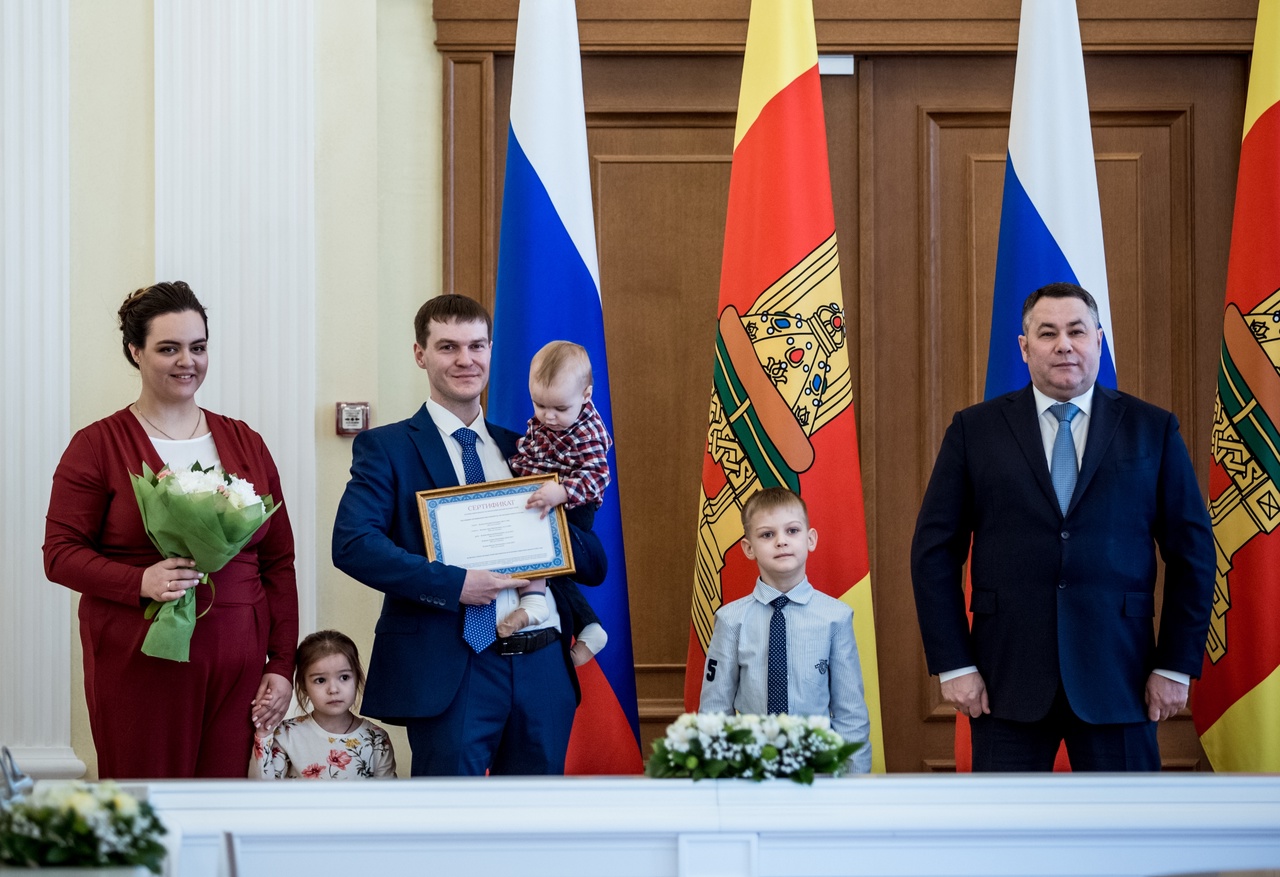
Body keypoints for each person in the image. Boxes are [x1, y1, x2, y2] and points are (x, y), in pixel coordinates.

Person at [910, 281, 1214, 771]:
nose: (1064, 344)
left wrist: (1175, 663)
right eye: (1047, 333)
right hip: (1003, 681)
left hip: (1123, 678)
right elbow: (933, 553)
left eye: (1076, 331)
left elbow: (1193, 554)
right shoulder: (975, 430)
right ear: (1024, 348)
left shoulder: (1152, 428)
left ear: (1098, 339)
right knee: (1005, 842)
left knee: (1127, 841)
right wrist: (955, 663)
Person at [331, 294, 607, 777]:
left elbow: (592, 560)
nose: (466, 360)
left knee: (534, 831)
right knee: (446, 831)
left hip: (541, 666)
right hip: (452, 670)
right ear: (420, 354)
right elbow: (353, 545)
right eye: (448, 347)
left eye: (477, 346)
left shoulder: (530, 448)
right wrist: (455, 584)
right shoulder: (387, 448)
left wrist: (553, 538)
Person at [43, 281, 298, 778]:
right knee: (149, 804)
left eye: (198, 347)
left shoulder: (246, 441)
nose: (188, 361)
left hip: (238, 660)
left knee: (220, 808)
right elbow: (59, 554)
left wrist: (281, 662)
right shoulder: (97, 445)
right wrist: (138, 582)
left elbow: (278, 561)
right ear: (135, 352)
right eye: (169, 348)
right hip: (141, 657)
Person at [698, 487, 872, 774]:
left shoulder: (836, 618)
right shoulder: (730, 620)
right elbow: (715, 710)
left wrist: (854, 785)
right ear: (748, 548)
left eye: (792, 531)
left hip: (818, 775)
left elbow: (850, 713)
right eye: (767, 534)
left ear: (810, 539)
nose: (781, 542)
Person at [499, 340, 610, 667]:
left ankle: (535, 604)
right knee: (551, 564)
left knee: (543, 553)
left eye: (560, 409)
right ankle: (588, 626)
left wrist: (560, 492)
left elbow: (597, 476)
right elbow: (529, 454)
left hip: (575, 503)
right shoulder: (544, 422)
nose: (549, 416)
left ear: (586, 396)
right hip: (543, 492)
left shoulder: (586, 430)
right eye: (539, 405)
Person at [252, 630, 396, 779]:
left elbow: (388, 798)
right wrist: (263, 736)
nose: (333, 689)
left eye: (344, 677)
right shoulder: (286, 734)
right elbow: (265, 793)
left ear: (357, 678)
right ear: (303, 686)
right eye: (320, 680)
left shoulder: (376, 739)